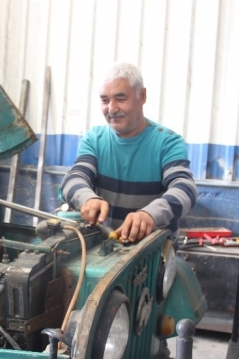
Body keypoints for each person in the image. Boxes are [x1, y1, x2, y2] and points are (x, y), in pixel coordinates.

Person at [60, 62, 197, 243]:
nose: (111, 108)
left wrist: (150, 215)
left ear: (142, 96)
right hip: (104, 249)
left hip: (155, 252)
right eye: (105, 100)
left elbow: (185, 188)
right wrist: (88, 198)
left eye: (121, 99)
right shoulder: (94, 139)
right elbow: (74, 178)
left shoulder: (168, 143)